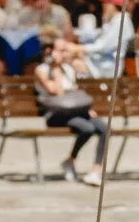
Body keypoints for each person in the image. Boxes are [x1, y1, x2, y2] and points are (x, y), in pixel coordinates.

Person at [31, 30, 111, 184]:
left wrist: (88, 109)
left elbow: (74, 95)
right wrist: (55, 68)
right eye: (60, 51)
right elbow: (58, 93)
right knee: (87, 128)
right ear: (49, 51)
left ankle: (96, 170)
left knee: (103, 128)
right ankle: (70, 160)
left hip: (75, 112)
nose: (65, 54)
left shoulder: (68, 69)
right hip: (56, 114)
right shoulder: (42, 70)